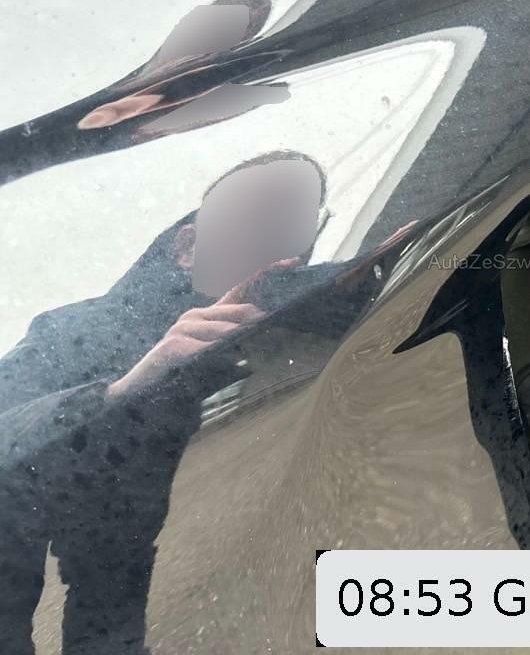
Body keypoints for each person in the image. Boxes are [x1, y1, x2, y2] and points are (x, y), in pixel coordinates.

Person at [0, 150, 328, 655]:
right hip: (19, 520)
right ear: (187, 246)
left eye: (289, 221)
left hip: (127, 534)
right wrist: (125, 388)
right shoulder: (74, 329)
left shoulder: (288, 330)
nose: (267, 234)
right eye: (251, 214)